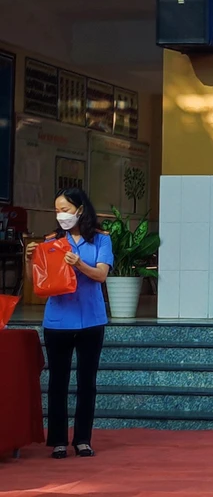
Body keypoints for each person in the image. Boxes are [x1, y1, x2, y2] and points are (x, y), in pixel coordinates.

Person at [25, 188, 112, 459]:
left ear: (80, 209)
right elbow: (37, 282)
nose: (61, 215)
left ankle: (83, 439)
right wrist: (29, 259)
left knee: (87, 382)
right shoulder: (51, 241)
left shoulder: (101, 239)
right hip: (58, 320)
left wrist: (79, 264)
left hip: (91, 320)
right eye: (57, 210)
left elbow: (101, 275)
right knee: (57, 382)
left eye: (65, 209)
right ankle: (59, 440)